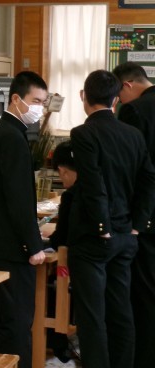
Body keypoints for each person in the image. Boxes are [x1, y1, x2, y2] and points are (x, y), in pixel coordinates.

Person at [68, 69, 155, 368]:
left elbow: (94, 184)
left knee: (92, 317)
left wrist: (102, 227)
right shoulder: (132, 134)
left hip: (94, 238)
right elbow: (149, 179)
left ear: (83, 96)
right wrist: (137, 226)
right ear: (116, 99)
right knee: (121, 312)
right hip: (126, 236)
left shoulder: (83, 133)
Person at [0, 71, 48, 368]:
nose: (39, 108)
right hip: (12, 248)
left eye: (43, 102)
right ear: (16, 99)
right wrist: (34, 245)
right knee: (16, 323)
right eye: (36, 101)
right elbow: (18, 199)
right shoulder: (13, 137)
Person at [112, 62, 155, 368]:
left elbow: (130, 169)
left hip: (145, 219)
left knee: (143, 296)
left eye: (118, 94)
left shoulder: (136, 111)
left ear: (126, 86)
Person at [41, 141, 78, 367]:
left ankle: (55, 343)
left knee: (48, 284)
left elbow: (60, 239)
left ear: (63, 170)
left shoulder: (71, 196)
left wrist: (47, 238)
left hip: (74, 267)